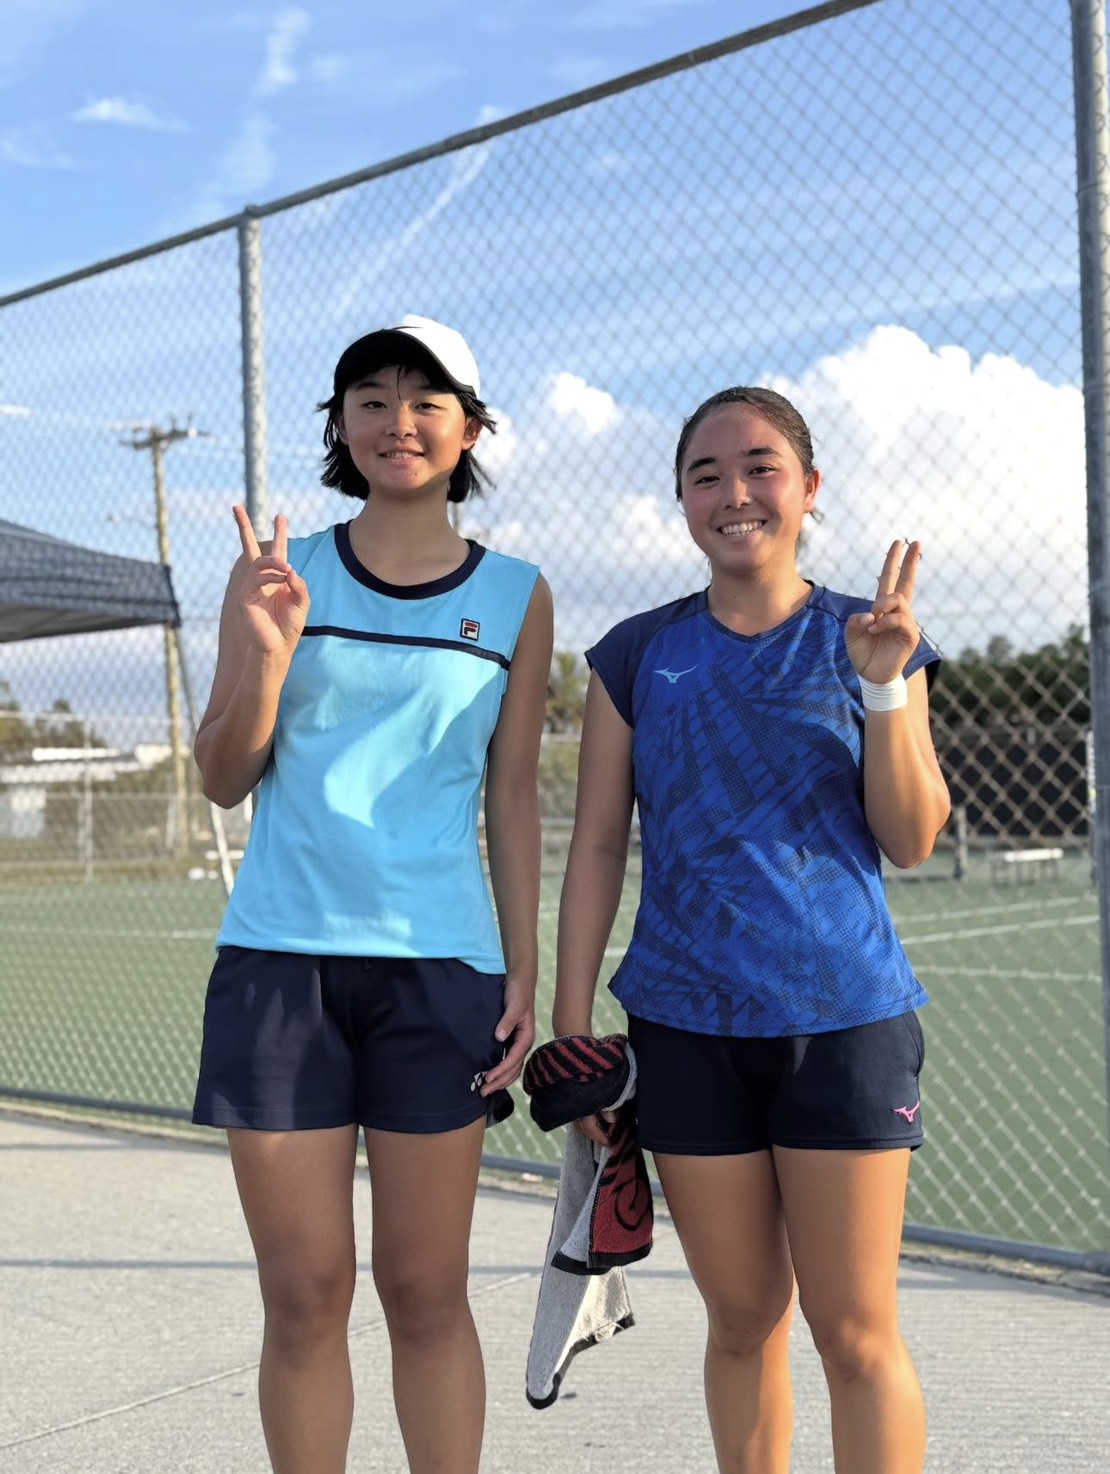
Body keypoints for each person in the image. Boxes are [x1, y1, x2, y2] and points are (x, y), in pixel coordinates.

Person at [551, 385, 950, 1474]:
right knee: (741, 1321)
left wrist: (883, 689)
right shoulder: (635, 654)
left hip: (844, 1023)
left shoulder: (871, 638)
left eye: (761, 467)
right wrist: (572, 1023)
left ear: (809, 488)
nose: (735, 493)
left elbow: (911, 836)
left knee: (854, 1333)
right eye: (706, 474)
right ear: (682, 498)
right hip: (686, 1029)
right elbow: (598, 844)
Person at [191, 314, 553, 1474]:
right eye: (374, 399)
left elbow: (509, 796)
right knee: (304, 1291)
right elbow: (223, 773)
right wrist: (266, 652)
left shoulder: (518, 594)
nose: (400, 421)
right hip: (280, 970)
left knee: (425, 1288)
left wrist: (525, 968)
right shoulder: (276, 574)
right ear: (342, 426)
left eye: (427, 400)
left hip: (441, 975)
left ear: (470, 429)